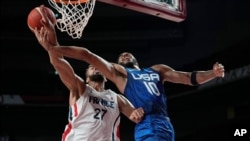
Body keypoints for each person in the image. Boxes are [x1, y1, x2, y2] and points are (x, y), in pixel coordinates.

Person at [35, 5, 225, 141]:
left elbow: (186, 78)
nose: (124, 55)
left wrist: (212, 73)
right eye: (120, 58)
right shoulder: (81, 87)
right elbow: (68, 60)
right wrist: (52, 44)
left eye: (127, 54)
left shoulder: (120, 95)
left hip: (160, 123)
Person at [32, 5, 145, 141]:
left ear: (106, 77)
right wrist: (52, 39)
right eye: (91, 67)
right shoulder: (79, 88)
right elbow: (59, 63)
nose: (95, 67)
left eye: (97, 67)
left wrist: (137, 113)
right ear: (85, 79)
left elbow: (135, 115)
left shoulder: (116, 98)